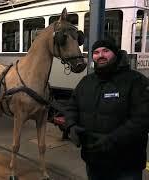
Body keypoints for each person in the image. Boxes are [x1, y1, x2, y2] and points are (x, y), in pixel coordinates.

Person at [64, 39, 149, 180]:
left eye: (106, 51)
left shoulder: (136, 81)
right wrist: (71, 125)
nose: (100, 55)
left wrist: (112, 140)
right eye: (96, 52)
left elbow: (142, 119)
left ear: (115, 53)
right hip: (94, 160)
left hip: (126, 164)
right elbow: (72, 106)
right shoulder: (86, 82)